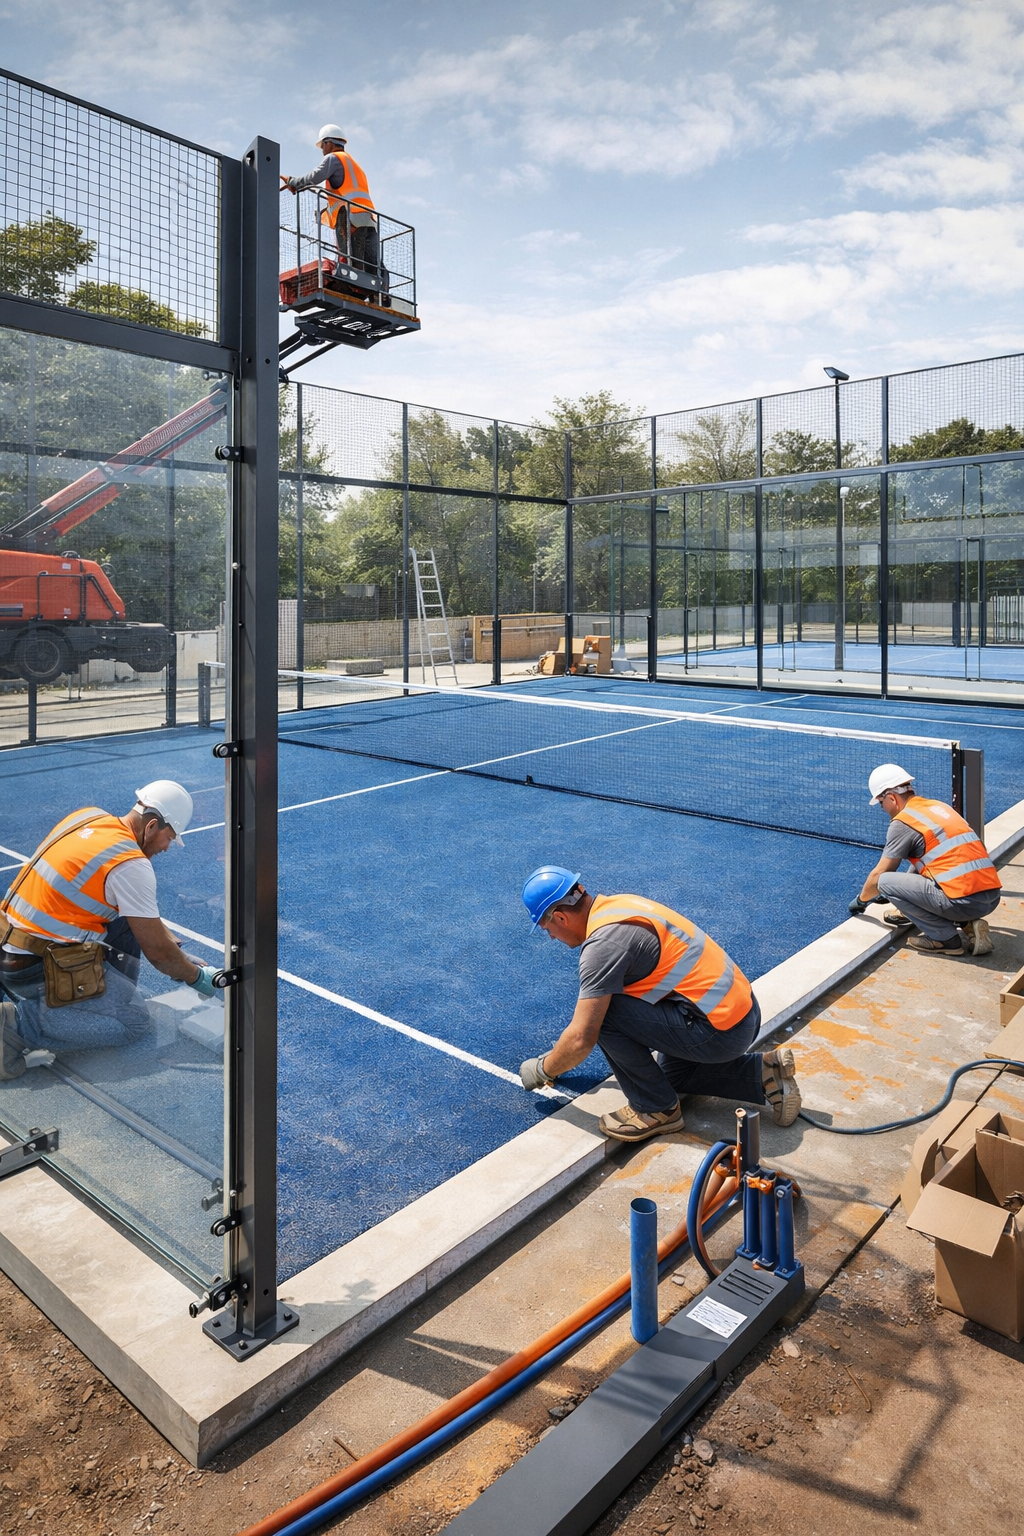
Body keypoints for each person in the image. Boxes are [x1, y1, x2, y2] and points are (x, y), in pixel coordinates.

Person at [518, 867, 801, 1142]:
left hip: (719, 1032)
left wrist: (545, 1068)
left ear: (560, 917)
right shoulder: (619, 905)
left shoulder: (603, 947)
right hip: (742, 1015)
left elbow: (582, 1037)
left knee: (604, 1014)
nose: (552, 936)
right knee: (669, 1077)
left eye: (547, 928)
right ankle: (764, 1073)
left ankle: (655, 1110)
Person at [0, 782, 218, 1079]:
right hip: (33, 969)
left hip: (10, 945)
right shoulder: (131, 864)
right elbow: (157, 954)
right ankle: (19, 1026)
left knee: (129, 925)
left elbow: (142, 919)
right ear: (152, 826)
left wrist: (174, 947)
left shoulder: (89, 817)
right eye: (169, 837)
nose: (168, 847)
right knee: (134, 1023)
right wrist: (197, 978)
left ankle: (97, 1002)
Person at [849, 763, 1000, 957]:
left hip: (965, 902)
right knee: (923, 871)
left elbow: (880, 874)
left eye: (881, 803)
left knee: (884, 882)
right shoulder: (938, 807)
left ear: (891, 798)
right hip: (991, 896)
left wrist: (860, 901)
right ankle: (968, 924)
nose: (882, 808)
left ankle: (945, 939)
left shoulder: (903, 822)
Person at [281, 125, 380, 276]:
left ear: (329, 143)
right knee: (370, 266)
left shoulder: (333, 158)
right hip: (369, 220)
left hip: (349, 217)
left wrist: (292, 181)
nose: (322, 150)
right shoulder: (355, 165)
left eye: (322, 146)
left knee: (350, 263)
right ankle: (377, 291)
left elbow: (314, 177)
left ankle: (350, 283)